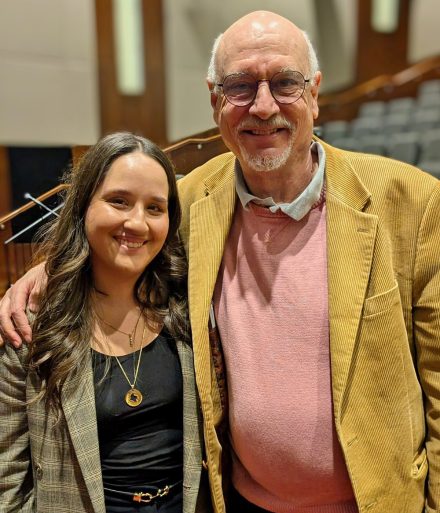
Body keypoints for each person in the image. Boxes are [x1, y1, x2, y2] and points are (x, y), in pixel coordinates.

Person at [1, 10, 440, 513]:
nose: (263, 105)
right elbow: (119, 231)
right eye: (240, 86)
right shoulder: (191, 201)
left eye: (285, 82)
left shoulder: (413, 202)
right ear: (215, 102)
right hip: (241, 503)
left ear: (315, 92)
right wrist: (50, 272)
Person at [0, 132, 211, 513]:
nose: (137, 223)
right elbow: (6, 476)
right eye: (119, 201)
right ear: (83, 206)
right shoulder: (30, 326)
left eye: (155, 208)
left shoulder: (188, 307)